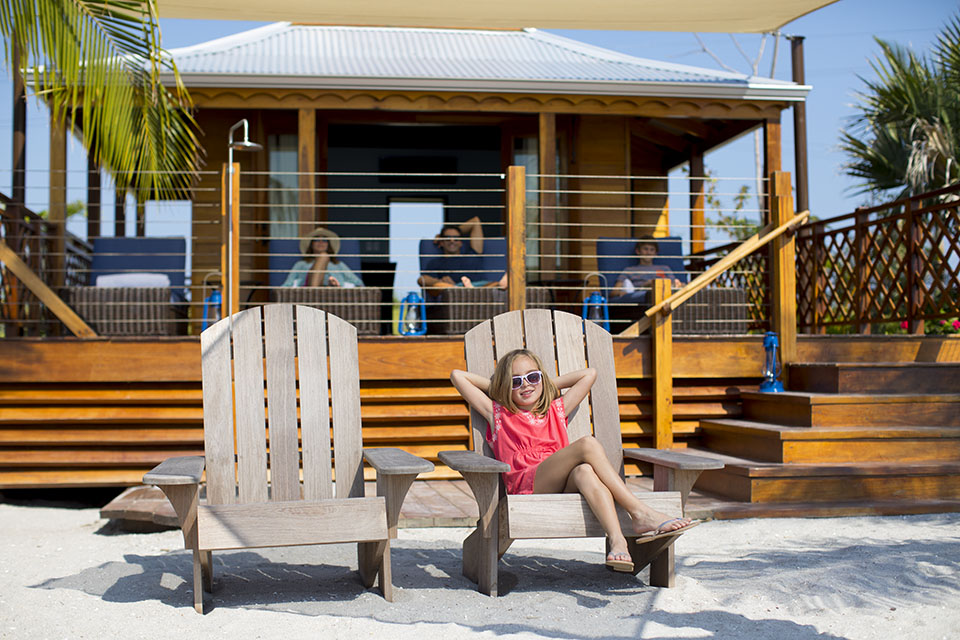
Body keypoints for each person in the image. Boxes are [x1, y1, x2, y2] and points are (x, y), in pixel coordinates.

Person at [450, 348, 695, 573]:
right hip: (529, 487)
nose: (525, 385)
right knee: (587, 444)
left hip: (562, 484)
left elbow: (590, 374)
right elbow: (457, 376)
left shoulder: (556, 411)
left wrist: (544, 384)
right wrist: (502, 387)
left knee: (585, 472)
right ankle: (640, 512)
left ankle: (618, 541)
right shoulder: (500, 415)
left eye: (532, 377)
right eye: (516, 381)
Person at [418, 216, 503, 290]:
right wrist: (441, 282)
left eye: (456, 238)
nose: (452, 241)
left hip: (482, 287)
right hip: (453, 289)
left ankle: (471, 292)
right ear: (441, 243)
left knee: (498, 284)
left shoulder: (473, 253)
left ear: (461, 242)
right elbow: (422, 280)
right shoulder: (436, 262)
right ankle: (465, 291)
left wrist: (444, 235)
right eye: (447, 238)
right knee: (433, 284)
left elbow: (475, 221)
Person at [282, 227, 363, 288]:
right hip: (309, 288)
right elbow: (287, 284)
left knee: (332, 279)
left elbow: (358, 283)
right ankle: (315, 292)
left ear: (328, 245)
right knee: (323, 256)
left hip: (334, 291)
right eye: (317, 240)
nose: (321, 242)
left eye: (324, 240)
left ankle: (330, 284)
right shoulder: (302, 264)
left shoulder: (338, 264)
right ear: (311, 244)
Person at [610, 237, 683, 304]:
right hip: (644, 293)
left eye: (652, 250)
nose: (648, 252)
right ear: (638, 251)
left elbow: (675, 284)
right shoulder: (629, 270)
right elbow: (614, 292)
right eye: (645, 249)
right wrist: (622, 293)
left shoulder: (665, 268)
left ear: (655, 253)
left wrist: (680, 285)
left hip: (666, 291)